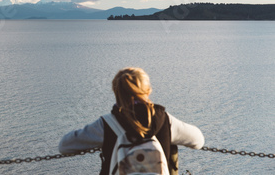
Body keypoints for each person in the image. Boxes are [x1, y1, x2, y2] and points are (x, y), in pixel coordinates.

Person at [59, 67, 204, 175]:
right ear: (148, 91)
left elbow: (65, 146)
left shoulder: (108, 124)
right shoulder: (165, 121)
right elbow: (198, 140)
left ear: (116, 91)